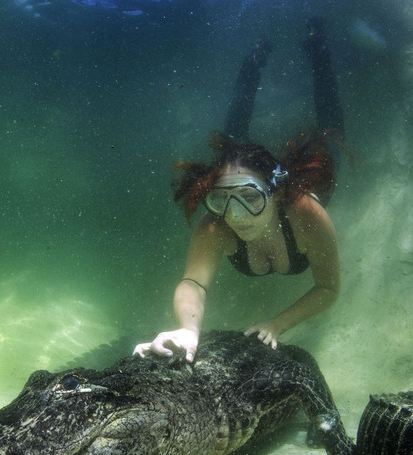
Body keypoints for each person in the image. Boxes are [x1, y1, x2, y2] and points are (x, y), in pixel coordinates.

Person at [134, 19, 344, 363]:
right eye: (221, 199)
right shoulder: (215, 225)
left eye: (250, 198)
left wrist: (278, 324)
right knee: (232, 144)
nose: (234, 215)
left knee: (331, 131)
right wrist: (188, 329)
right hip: (246, 169)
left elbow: (328, 287)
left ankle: (318, 49)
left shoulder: (307, 214)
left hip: (298, 191)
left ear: (276, 193)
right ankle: (254, 60)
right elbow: (193, 283)